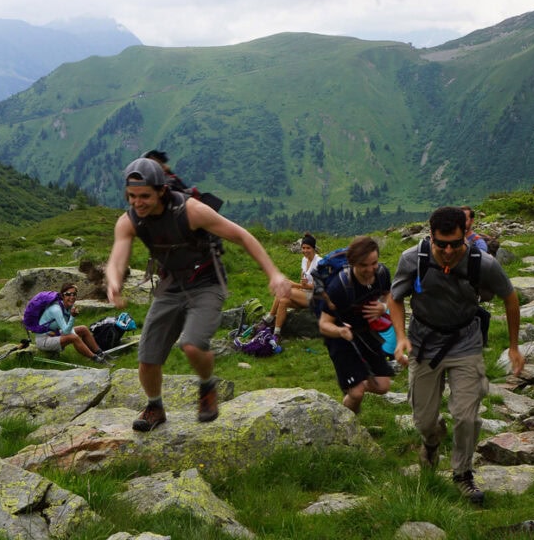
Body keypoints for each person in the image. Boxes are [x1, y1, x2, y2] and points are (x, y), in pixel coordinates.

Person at [106, 157, 290, 431]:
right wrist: (113, 282)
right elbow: (117, 257)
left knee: (191, 344)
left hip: (206, 282)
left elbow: (242, 236)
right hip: (170, 285)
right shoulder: (129, 221)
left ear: (161, 191)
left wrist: (274, 273)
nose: (137, 202)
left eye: (144, 196)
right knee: (147, 358)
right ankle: (154, 406)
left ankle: (207, 386)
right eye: (132, 196)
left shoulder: (190, 210)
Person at [389, 206, 524, 505]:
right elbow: (395, 297)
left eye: (455, 243)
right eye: (441, 244)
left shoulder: (482, 263)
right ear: (431, 237)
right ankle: (431, 441)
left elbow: (510, 298)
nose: (448, 251)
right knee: (424, 419)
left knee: (466, 416)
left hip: (466, 342)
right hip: (424, 344)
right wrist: (400, 337)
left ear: (465, 234)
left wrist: (514, 347)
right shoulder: (413, 259)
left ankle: (463, 474)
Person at [318, 236, 394, 414]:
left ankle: (353, 385)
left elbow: (388, 295)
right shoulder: (338, 287)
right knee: (357, 393)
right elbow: (323, 325)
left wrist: (383, 307)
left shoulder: (382, 273)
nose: (370, 270)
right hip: (341, 339)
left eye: (373, 263)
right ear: (352, 263)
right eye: (364, 265)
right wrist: (340, 331)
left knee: (383, 385)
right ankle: (349, 424)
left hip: (367, 333)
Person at [260, 232, 320, 342]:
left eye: (308, 248)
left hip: (315, 297)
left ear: (314, 248)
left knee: (284, 290)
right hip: (304, 293)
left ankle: (270, 318)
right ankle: (277, 333)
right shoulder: (304, 260)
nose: (305, 251)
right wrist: (299, 285)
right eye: (303, 248)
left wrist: (295, 285)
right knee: (283, 301)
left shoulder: (319, 262)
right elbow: (303, 280)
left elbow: (320, 287)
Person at [34, 283, 110, 364]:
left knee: (83, 329)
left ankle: (100, 353)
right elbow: (66, 331)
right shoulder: (56, 309)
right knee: (73, 338)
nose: (72, 297)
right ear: (62, 296)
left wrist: (74, 335)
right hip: (44, 340)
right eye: (68, 294)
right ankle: (96, 360)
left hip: (54, 334)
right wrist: (72, 317)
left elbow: (67, 329)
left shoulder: (68, 306)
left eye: (74, 294)